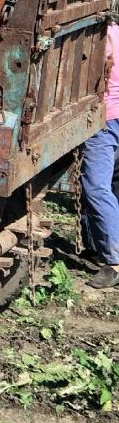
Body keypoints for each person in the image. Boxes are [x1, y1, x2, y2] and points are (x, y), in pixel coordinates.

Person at [81, 15, 119, 288]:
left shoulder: (101, 37)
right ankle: (97, 241)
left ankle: (114, 263)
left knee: (96, 187)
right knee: (111, 184)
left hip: (104, 121)